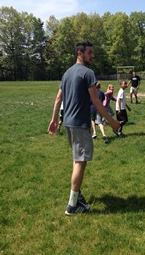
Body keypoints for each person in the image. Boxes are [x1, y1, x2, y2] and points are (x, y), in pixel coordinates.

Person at [48, 41, 120, 215]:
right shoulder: (88, 73)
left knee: (77, 159)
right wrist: (111, 121)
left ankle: (77, 195)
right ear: (80, 53)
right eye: (90, 52)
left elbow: (58, 99)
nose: (92, 56)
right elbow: (96, 101)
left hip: (69, 123)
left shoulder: (67, 73)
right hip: (80, 124)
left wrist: (53, 120)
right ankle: (72, 205)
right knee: (81, 161)